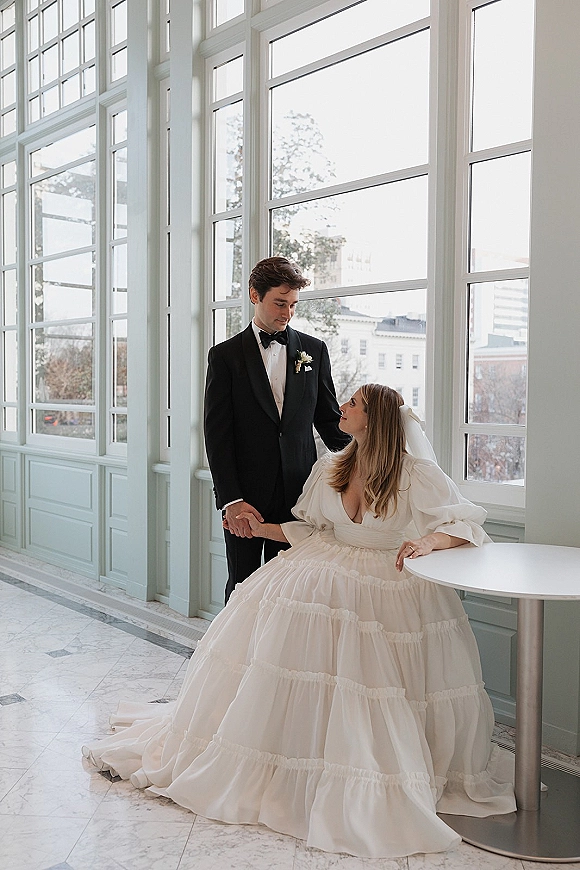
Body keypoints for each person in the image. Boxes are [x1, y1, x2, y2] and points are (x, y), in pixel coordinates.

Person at [83, 384, 515, 859]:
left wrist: (427, 543)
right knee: (279, 659)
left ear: (374, 419)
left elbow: (465, 525)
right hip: (320, 565)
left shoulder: (417, 474)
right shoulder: (333, 465)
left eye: (352, 404)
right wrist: (260, 528)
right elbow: (316, 530)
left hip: (385, 578)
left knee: (367, 682)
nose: (342, 409)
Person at [203, 256, 350, 603]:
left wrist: (368, 458)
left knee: (291, 588)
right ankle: (234, 657)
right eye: (279, 303)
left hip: (300, 496)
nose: (287, 313)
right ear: (255, 295)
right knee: (243, 586)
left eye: (293, 305)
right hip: (247, 499)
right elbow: (217, 436)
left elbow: (329, 421)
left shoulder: (314, 351)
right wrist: (232, 501)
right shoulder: (224, 356)